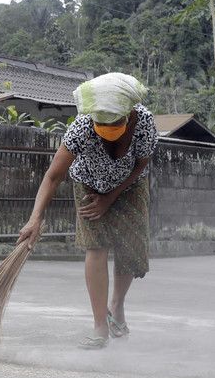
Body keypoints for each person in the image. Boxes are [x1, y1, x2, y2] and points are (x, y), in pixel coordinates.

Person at [16, 72, 158, 349]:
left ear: (128, 115)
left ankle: (116, 307)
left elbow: (141, 164)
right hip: (89, 185)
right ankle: (99, 326)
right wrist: (35, 219)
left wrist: (112, 197)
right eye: (100, 124)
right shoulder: (81, 128)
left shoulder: (144, 122)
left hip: (129, 186)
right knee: (96, 247)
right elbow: (52, 176)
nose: (106, 128)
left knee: (130, 248)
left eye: (115, 123)